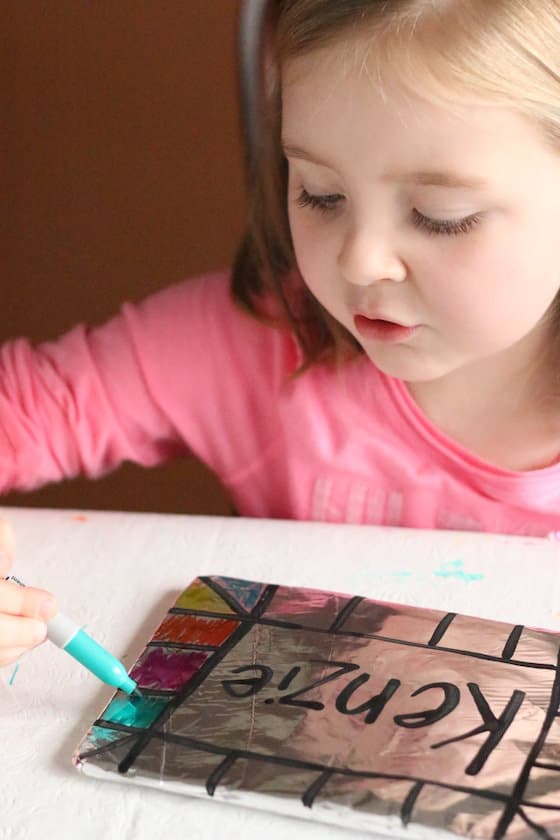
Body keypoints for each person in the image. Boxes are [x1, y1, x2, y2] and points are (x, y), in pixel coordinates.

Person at [3, 0, 560, 667]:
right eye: (322, 194)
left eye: (441, 216)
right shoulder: (252, 344)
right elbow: (29, 405)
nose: (360, 260)